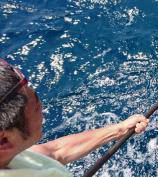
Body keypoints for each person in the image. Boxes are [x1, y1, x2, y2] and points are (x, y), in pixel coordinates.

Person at [0, 58, 149, 176]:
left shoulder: (11, 156)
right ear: (4, 140)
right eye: (37, 106)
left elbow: (55, 152)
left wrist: (119, 129)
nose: (43, 108)